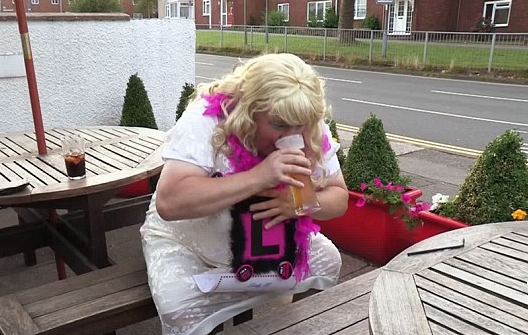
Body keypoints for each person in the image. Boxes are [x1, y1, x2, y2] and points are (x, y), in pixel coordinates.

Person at [140, 53, 349, 335]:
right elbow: (170, 202)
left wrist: (302, 204)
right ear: (248, 110)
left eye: (299, 124)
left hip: (266, 244)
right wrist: (258, 176)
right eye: (279, 124)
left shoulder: (305, 121)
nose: (293, 133)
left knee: (328, 260)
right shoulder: (207, 118)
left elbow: (339, 196)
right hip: (188, 242)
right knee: (179, 305)